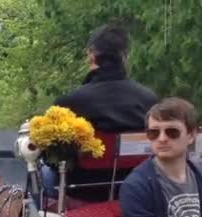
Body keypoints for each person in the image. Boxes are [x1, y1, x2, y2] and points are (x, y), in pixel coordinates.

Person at [40, 24, 158, 199]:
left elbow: (53, 160)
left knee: (41, 172)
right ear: (124, 56)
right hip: (139, 188)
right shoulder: (149, 100)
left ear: (91, 55)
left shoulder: (68, 103)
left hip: (81, 192)